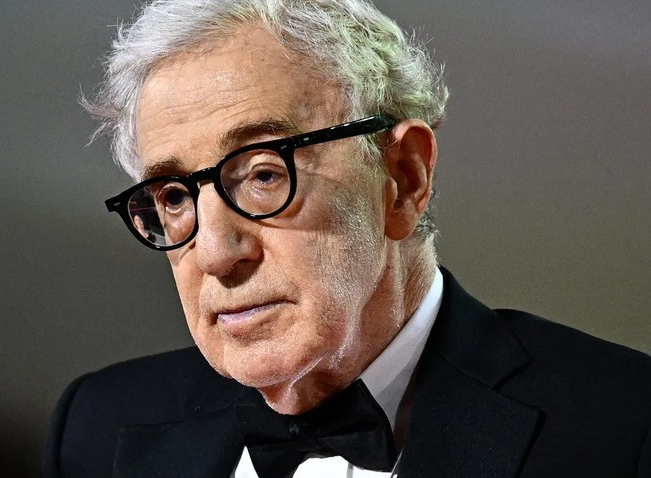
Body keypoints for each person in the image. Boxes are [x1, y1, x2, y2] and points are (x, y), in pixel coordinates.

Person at [42, 0, 651, 476]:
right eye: (174, 197)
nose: (216, 254)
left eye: (263, 174)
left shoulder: (624, 430)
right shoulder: (97, 428)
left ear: (404, 178)